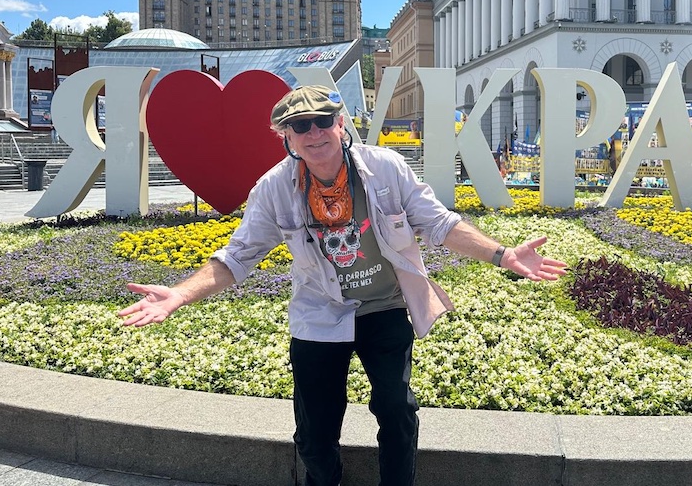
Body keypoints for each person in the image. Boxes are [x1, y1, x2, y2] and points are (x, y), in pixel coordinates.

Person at [119, 85, 567, 486]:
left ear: (339, 124)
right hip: (319, 314)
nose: (314, 133)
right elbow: (237, 258)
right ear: (287, 138)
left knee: (396, 410)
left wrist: (503, 255)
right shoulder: (274, 189)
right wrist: (179, 293)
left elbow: (439, 223)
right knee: (314, 432)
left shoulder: (385, 168)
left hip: (386, 306)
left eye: (322, 121)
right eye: (300, 126)